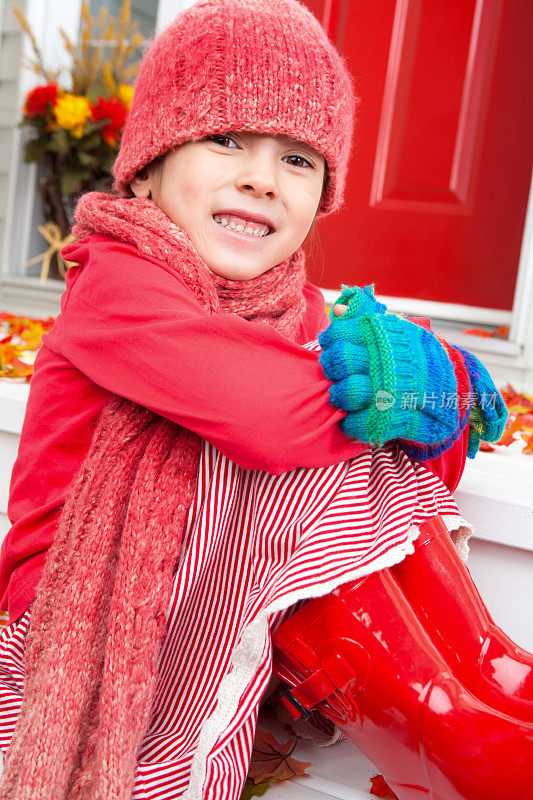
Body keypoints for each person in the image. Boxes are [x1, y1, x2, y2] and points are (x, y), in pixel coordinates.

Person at [0, 1, 529, 798]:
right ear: (146, 166)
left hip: (206, 605)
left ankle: (489, 681)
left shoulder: (291, 306)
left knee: (361, 433)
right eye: (226, 139)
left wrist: (436, 389)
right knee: (327, 443)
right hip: (79, 624)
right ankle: (447, 722)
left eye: (297, 160)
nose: (259, 176)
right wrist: (404, 388)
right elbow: (266, 418)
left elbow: (430, 460)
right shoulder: (117, 283)